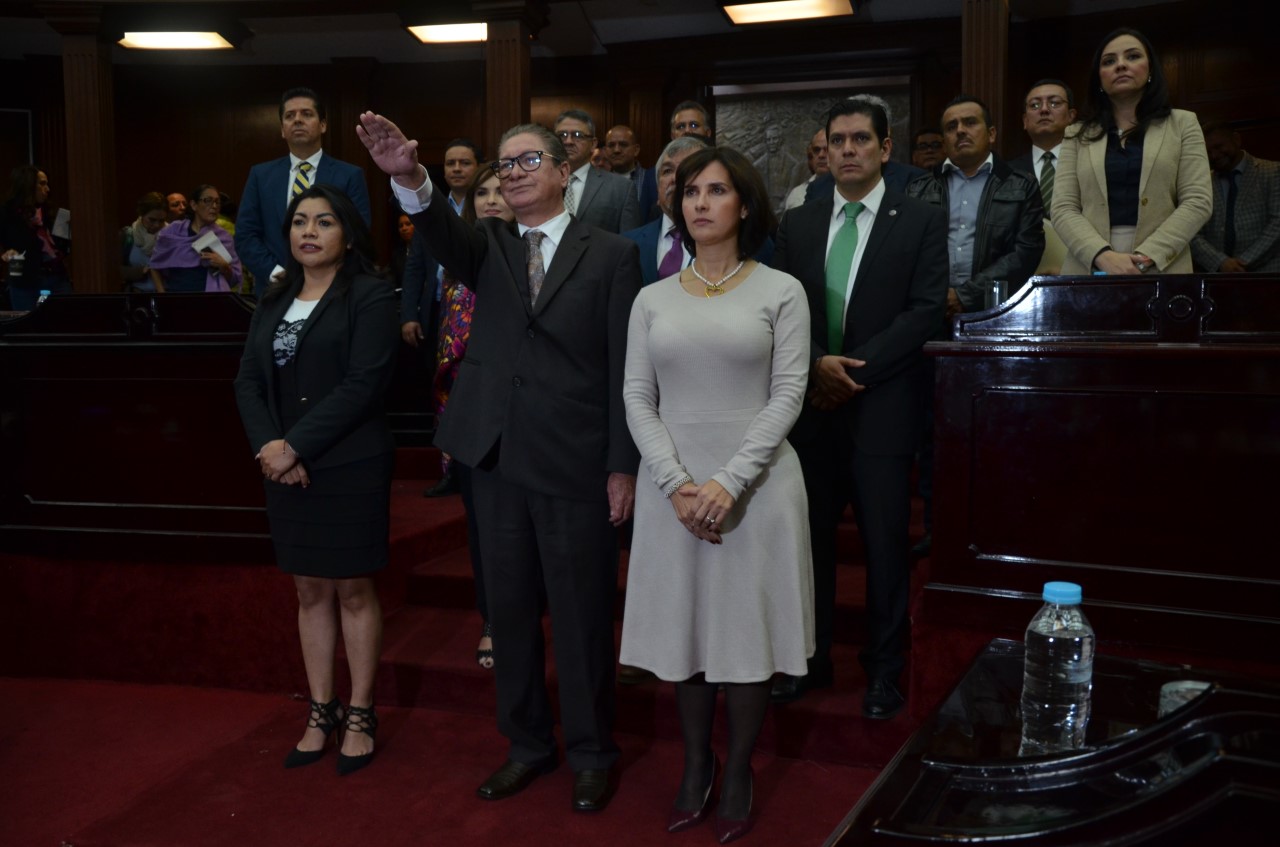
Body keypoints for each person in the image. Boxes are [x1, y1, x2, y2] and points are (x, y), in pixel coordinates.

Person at [359, 111, 641, 812]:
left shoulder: (611, 254)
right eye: (504, 163)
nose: (512, 172)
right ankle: (526, 745)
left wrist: (621, 463)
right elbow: (437, 229)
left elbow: (624, 368)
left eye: (526, 161)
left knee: (579, 615)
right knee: (508, 611)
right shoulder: (485, 242)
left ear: (563, 172)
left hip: (576, 460)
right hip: (495, 455)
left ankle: (590, 750)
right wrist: (409, 178)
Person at [620, 145, 812, 843]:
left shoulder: (780, 290)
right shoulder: (651, 297)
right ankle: (696, 762)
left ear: (745, 205)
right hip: (672, 484)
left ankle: (739, 771)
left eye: (717, 190)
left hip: (756, 484)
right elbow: (637, 396)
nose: (700, 201)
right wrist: (675, 483)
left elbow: (789, 393)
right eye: (691, 190)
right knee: (686, 627)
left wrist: (729, 482)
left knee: (743, 629)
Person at [770, 98, 948, 716]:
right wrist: (818, 362)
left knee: (884, 548)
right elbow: (782, 309)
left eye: (859, 140)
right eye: (838, 140)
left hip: (883, 406)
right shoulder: (799, 222)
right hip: (812, 408)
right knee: (808, 544)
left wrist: (853, 371)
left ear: (884, 148)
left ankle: (884, 671)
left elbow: (925, 310)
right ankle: (810, 662)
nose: (847, 150)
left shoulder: (920, 218)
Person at [233, 183, 399, 776]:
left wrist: (296, 445)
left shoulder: (373, 295)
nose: (309, 231)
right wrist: (271, 447)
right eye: (300, 221)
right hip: (283, 464)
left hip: (349, 463)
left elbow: (365, 384)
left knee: (352, 589)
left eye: (323, 221)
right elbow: (248, 381)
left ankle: (360, 711)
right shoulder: (275, 295)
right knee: (307, 589)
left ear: (347, 234)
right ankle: (320, 709)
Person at [435, 166, 515, 672]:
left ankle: (522, 613)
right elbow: (447, 352)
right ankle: (492, 620)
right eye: (481, 192)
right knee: (482, 531)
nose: (489, 199)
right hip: (469, 416)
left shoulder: (533, 263)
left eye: (499, 190)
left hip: (523, 418)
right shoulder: (456, 268)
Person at [1051, 28, 1212, 275]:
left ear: (1150, 71)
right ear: (1099, 79)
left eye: (1133, 56)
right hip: (1090, 267)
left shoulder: (1183, 123)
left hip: (1163, 265)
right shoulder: (1076, 134)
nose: (1121, 65)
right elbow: (1063, 208)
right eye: (1109, 61)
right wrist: (1102, 256)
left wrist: (1148, 256)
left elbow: (1198, 200)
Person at [236, 87, 372, 298]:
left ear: (323, 124)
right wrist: (276, 273)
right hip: (273, 290)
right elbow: (245, 236)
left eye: (306, 114)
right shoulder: (260, 176)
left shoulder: (349, 175)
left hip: (334, 291)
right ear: (282, 129)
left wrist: (326, 278)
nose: (297, 120)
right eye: (290, 116)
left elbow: (358, 234)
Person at [1190, 120, 1280, 273]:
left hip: (1267, 274)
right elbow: (1192, 232)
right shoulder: (1202, 183)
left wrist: (1242, 263)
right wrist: (1221, 262)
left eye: (1219, 147)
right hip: (1218, 278)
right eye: (1208, 152)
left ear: (1236, 139)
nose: (1214, 155)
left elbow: (1277, 224)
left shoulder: (1272, 172)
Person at [1009, 79, 1078, 274]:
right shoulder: (1008, 173)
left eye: (1054, 103)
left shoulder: (1088, 165)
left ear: (1071, 116)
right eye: (1035, 105)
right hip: (1024, 275)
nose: (1044, 110)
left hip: (1081, 267)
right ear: (1024, 120)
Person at [554, 109, 643, 233]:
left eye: (578, 135)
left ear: (593, 144)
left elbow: (630, 242)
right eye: (562, 135)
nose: (568, 141)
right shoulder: (540, 183)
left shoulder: (621, 188)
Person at [148, 184, 242, 293]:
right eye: (208, 200)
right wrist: (162, 296)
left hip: (211, 302)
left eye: (217, 202)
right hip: (176, 301)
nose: (214, 206)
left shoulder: (224, 236)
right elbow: (154, 265)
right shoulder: (173, 231)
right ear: (194, 205)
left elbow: (234, 279)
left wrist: (224, 266)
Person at [1, 165, 71, 310]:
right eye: (42, 184)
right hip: (24, 279)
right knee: (28, 325)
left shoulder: (55, 213)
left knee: (63, 321)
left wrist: (65, 229)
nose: (47, 189)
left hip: (56, 277)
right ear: (28, 185)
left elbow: (65, 248)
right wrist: (5, 254)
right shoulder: (8, 213)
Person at [120, 192, 168, 292]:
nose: (156, 225)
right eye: (152, 220)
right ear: (141, 215)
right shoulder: (129, 235)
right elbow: (113, 270)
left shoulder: (172, 235)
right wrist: (140, 272)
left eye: (161, 220)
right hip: (137, 293)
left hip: (166, 294)